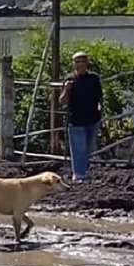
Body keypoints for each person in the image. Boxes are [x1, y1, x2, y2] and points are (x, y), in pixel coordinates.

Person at [59, 51, 103, 183]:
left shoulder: (94, 78)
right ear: (73, 64)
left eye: (82, 61)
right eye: (77, 61)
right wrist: (67, 89)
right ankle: (78, 175)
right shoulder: (69, 80)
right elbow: (62, 101)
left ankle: (84, 172)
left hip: (93, 119)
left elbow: (100, 96)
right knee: (79, 148)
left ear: (86, 63)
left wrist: (101, 110)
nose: (80, 64)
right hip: (76, 120)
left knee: (88, 148)